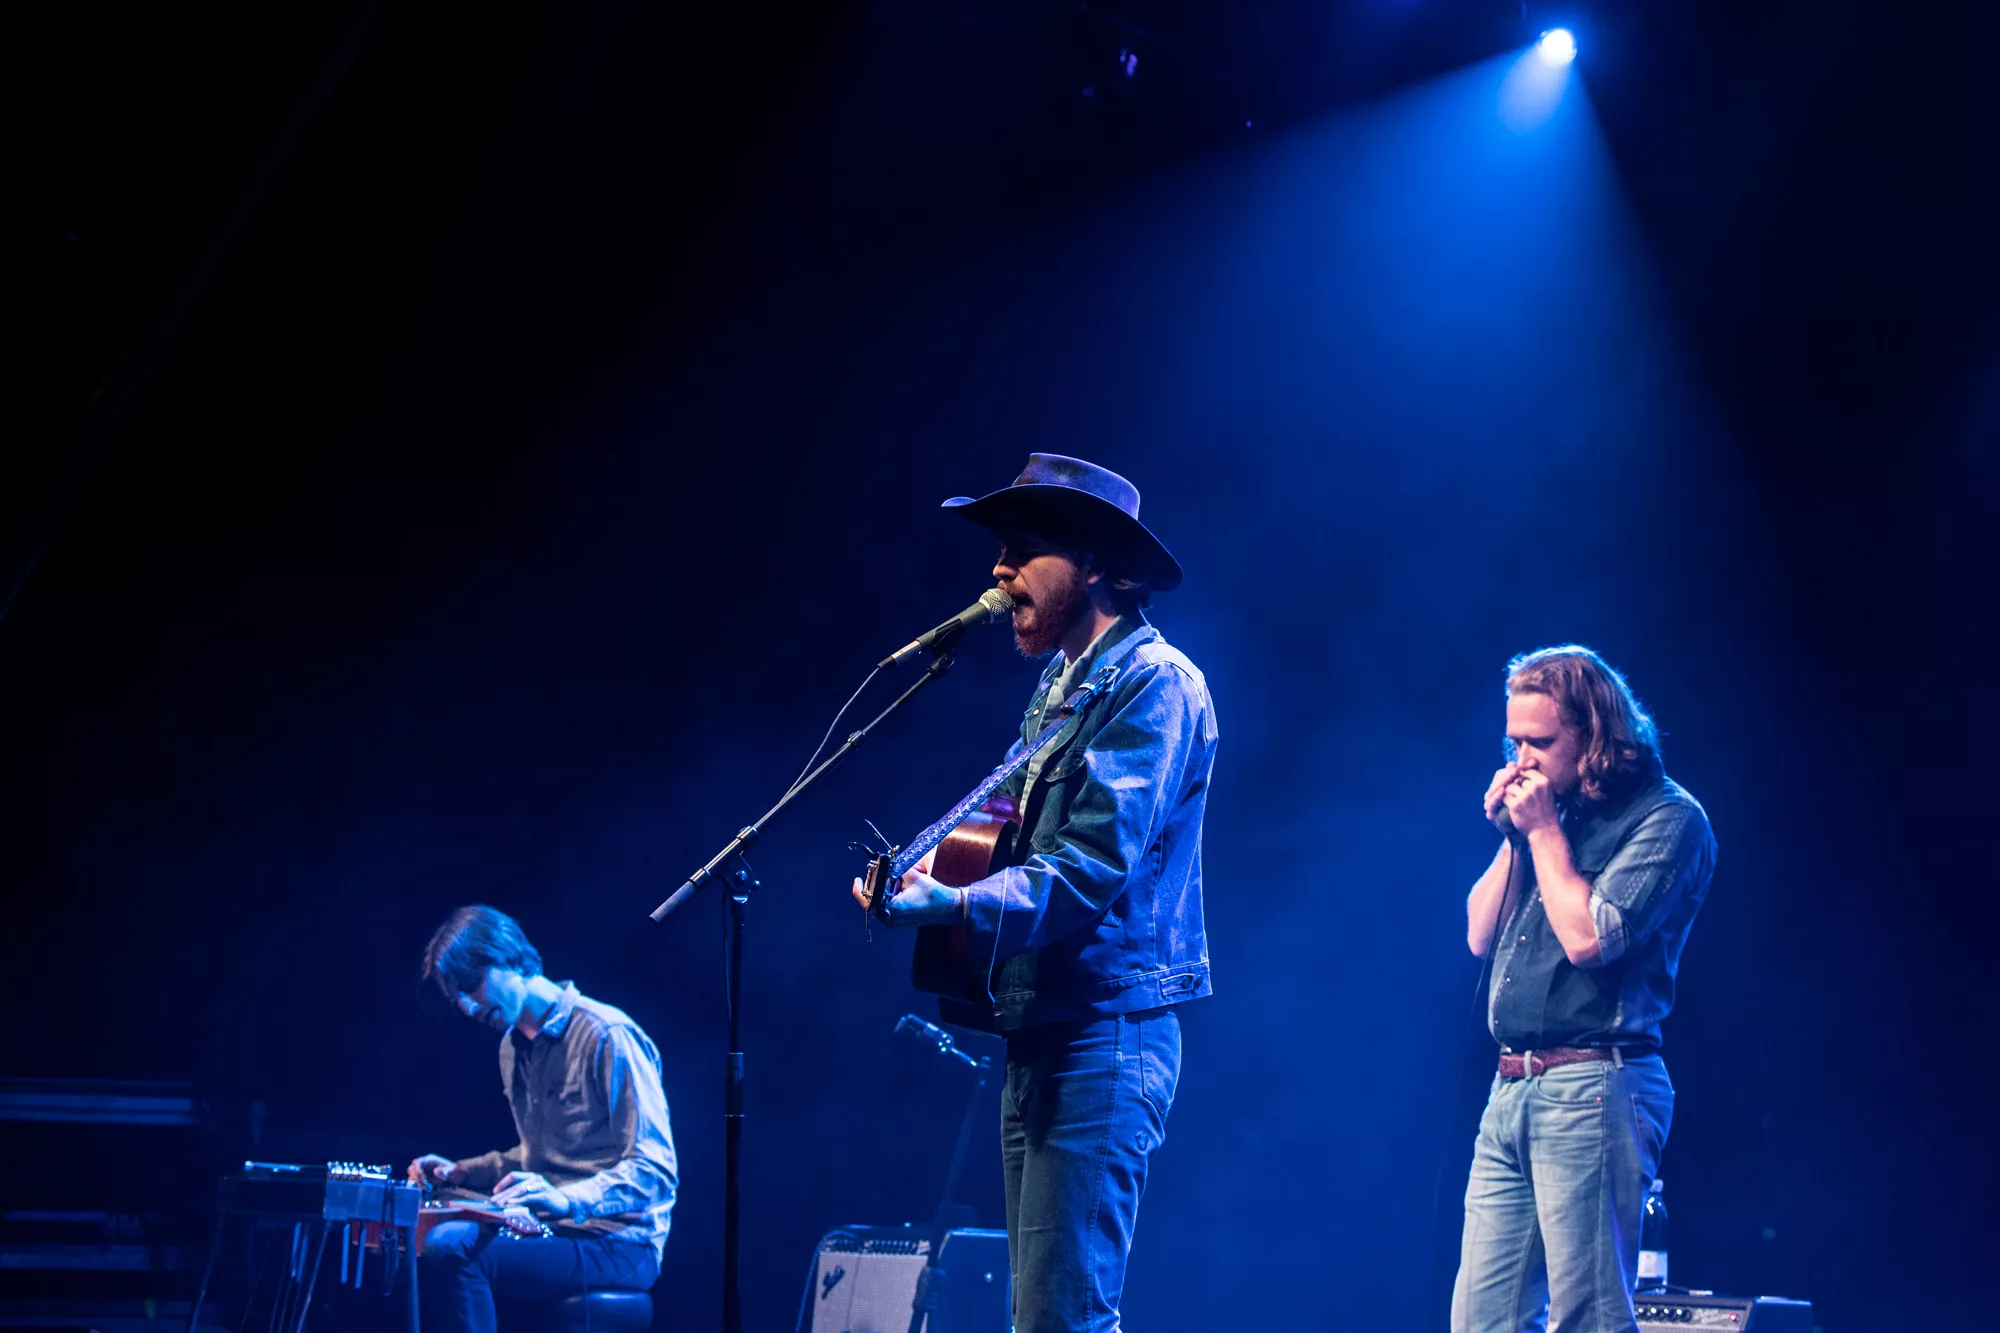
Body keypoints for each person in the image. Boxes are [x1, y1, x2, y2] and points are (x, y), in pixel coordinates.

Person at [854, 453, 1218, 1333]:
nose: (999, 569)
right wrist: (934, 876)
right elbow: (1014, 831)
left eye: (1021, 549)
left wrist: (953, 904)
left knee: (1066, 1317)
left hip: (1106, 1033)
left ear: (1092, 561)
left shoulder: (1156, 683)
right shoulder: (1063, 684)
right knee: (1041, 1317)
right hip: (1044, 1024)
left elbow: (1090, 862)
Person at [1452, 646, 1718, 1333]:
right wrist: (1516, 839)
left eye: (1539, 743)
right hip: (1511, 1088)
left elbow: (1590, 939)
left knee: (1588, 1319)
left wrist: (1542, 831)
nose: (1522, 761)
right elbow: (1480, 933)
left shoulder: (1668, 819)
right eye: (1513, 742)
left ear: (1594, 734)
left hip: (1594, 1086)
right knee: (1482, 1321)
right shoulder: (1553, 815)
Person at [408, 905, 676, 1331]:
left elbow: (655, 1170)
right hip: (554, 1227)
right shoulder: (511, 1047)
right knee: (418, 1233)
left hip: (618, 1241)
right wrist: (461, 1172)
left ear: (511, 958)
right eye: (456, 997)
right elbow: (540, 1155)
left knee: (451, 1247)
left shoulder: (607, 1034)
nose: (467, 1007)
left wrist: (568, 1199)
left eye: (471, 986)